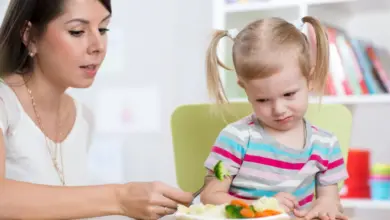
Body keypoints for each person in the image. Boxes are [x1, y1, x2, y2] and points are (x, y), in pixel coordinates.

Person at [0, 0, 192, 219]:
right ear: (30, 36)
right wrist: (120, 198)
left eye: (102, 29)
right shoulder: (4, 104)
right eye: (77, 31)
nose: (97, 45)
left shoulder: (82, 117)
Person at [200, 16, 349, 220]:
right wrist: (260, 207)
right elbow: (210, 196)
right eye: (262, 100)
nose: (278, 109)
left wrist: (326, 206)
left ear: (310, 80)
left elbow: (330, 200)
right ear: (245, 89)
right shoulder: (236, 138)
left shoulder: (326, 144)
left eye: (289, 95)